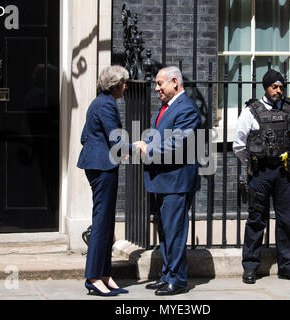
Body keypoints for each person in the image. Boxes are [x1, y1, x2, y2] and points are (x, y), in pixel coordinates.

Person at [232, 69, 290, 284]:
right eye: (275, 86)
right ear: (266, 87)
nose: (278, 90)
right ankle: (250, 267)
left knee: (285, 220)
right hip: (261, 173)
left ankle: (287, 266)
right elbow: (238, 144)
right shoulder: (251, 111)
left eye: (281, 86)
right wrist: (253, 163)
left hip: (284, 173)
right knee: (256, 220)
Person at [134, 66, 202, 296]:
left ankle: (179, 279)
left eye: (159, 83)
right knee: (165, 232)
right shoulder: (166, 108)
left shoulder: (187, 109)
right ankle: (167, 275)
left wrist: (147, 148)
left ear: (175, 82)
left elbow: (178, 143)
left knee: (174, 232)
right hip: (163, 179)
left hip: (177, 181)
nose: (156, 88)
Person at [77, 65, 134, 296]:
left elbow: (84, 137)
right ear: (116, 85)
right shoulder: (107, 104)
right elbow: (116, 138)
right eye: (124, 83)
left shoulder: (98, 102)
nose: (126, 87)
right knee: (102, 222)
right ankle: (93, 277)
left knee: (107, 220)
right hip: (102, 168)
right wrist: (134, 146)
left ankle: (104, 275)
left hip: (98, 165)